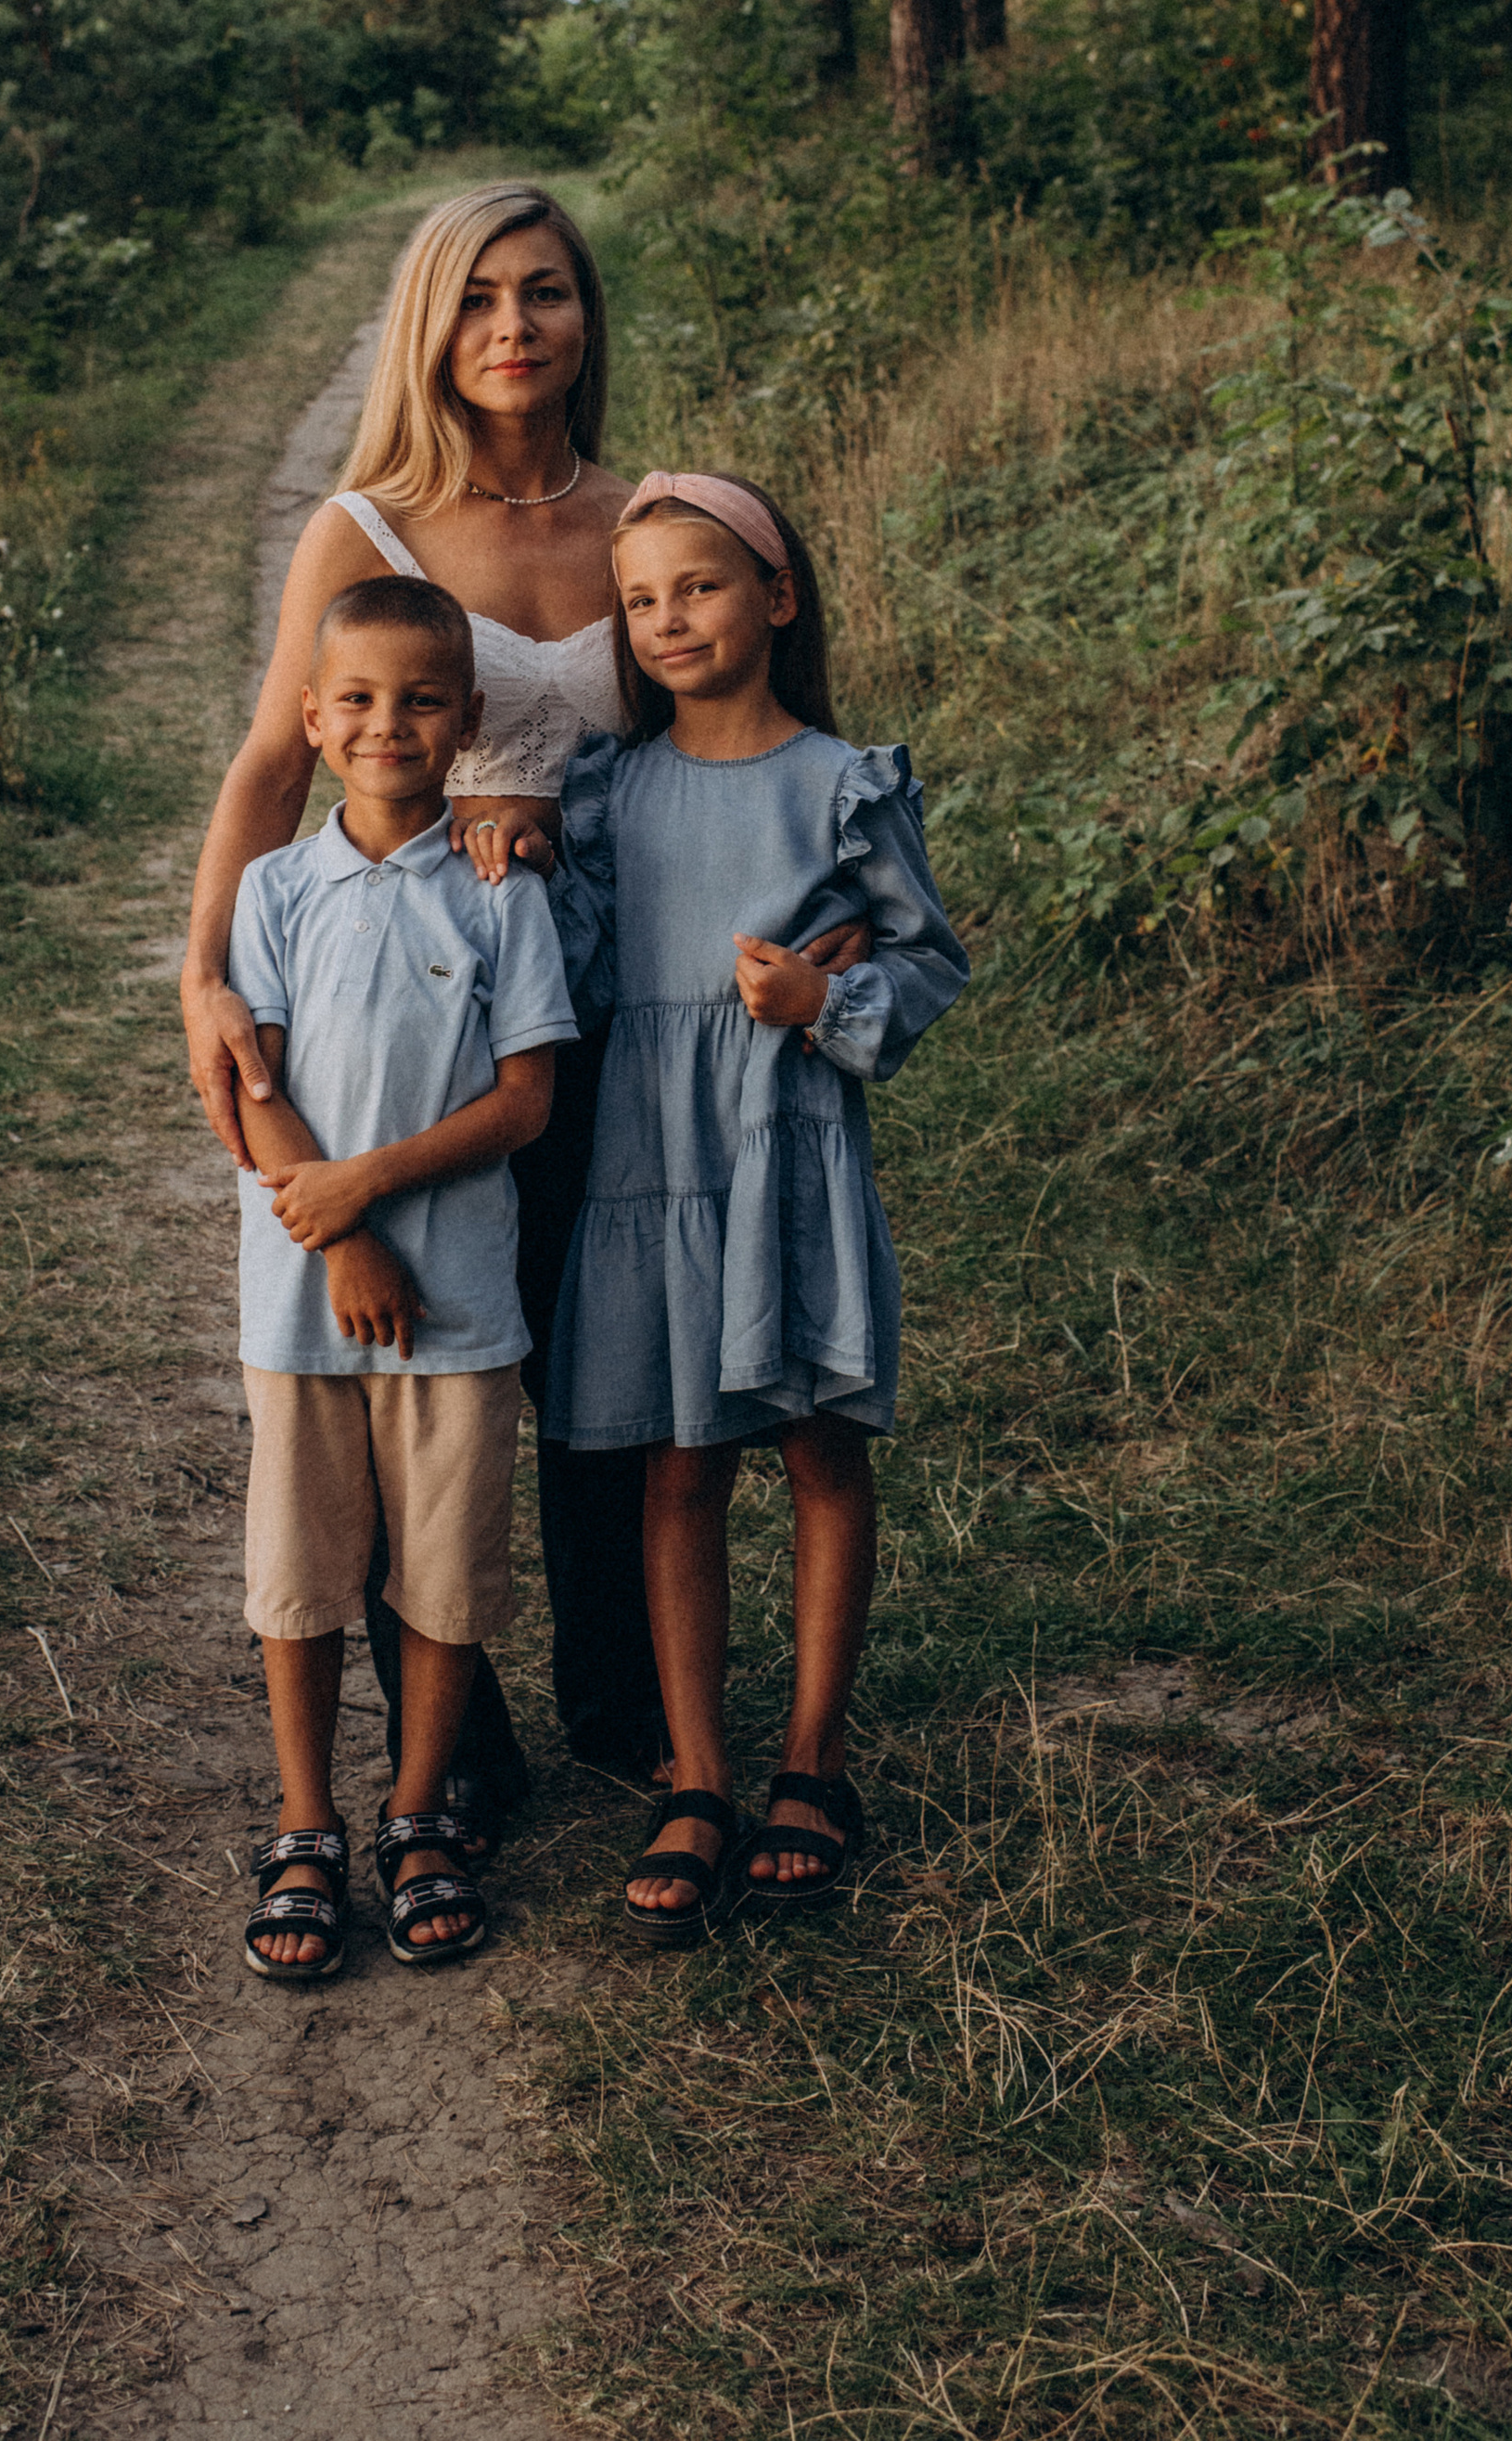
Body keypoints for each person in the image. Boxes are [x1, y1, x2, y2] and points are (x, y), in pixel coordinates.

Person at [183, 183, 657, 1815]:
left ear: (587, 318)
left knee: (600, 1367)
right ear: (429, 330)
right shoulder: (367, 528)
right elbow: (268, 760)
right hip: (419, 1014)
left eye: (543, 294)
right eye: (475, 300)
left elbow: (723, 729)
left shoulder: (648, 520)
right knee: (412, 1354)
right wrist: (202, 976)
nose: (512, 329)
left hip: (625, 1000)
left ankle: (620, 1697)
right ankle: (451, 1758)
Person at [537, 469, 968, 1946]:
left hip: (786, 1152)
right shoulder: (614, 786)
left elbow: (925, 965)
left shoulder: (842, 783)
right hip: (652, 1162)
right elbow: (582, 973)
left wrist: (822, 996)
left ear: (778, 597)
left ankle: (814, 1764)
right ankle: (700, 1777)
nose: (668, 619)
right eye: (641, 598)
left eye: (701, 587)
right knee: (677, 1468)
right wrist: (507, 851)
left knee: (819, 1450)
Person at [228, 572, 576, 1982]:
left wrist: (372, 1187)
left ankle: (419, 1811)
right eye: (358, 701)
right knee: (303, 1573)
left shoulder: (501, 896)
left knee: (441, 1573)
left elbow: (526, 1100)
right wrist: (343, 1232)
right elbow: (250, 1084)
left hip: (461, 1306)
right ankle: (307, 1822)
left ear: (467, 722)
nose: (389, 725)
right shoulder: (274, 889)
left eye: (422, 700)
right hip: (302, 1302)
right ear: (313, 721)